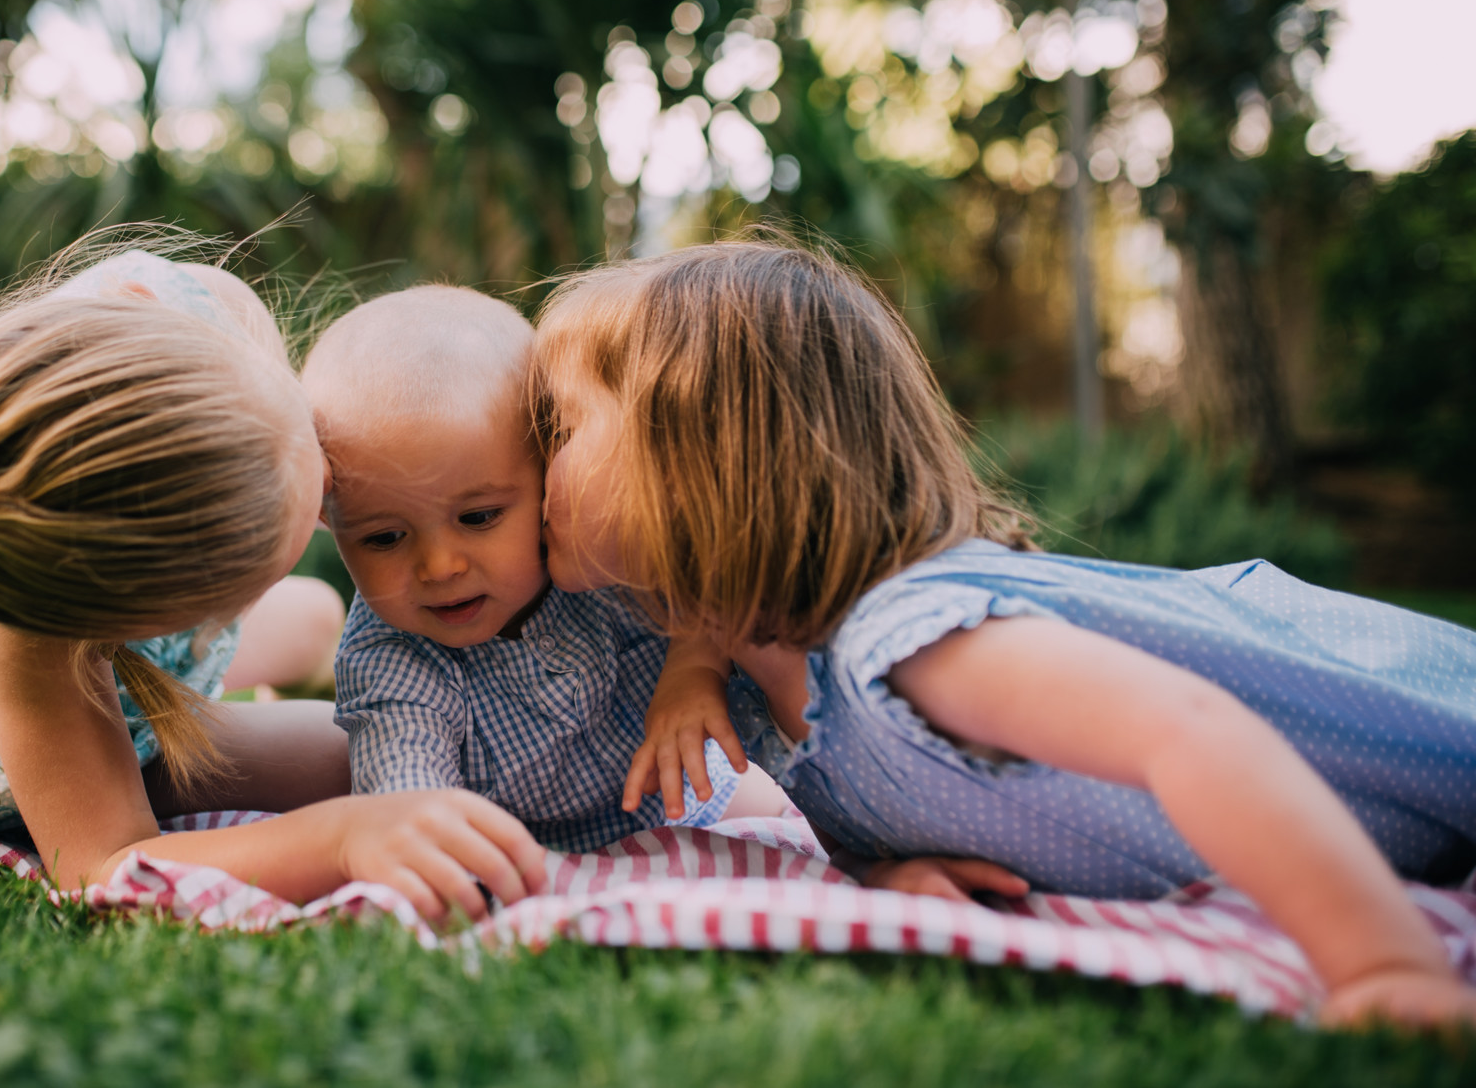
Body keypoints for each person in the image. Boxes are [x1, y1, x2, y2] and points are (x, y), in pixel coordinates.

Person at [532, 236, 1476, 1030]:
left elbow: (1194, 730)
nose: (533, 455)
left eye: (559, 424)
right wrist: (887, 860)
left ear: (694, 452)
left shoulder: (913, 637)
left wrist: (1383, 966)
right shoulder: (759, 683)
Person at [0, 240, 545, 922]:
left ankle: (269, 651)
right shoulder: (32, 630)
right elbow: (101, 860)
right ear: (126, 622)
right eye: (228, 595)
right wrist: (344, 840)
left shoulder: (195, 317)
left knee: (319, 613)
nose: (331, 503)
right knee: (343, 759)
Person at [303, 285, 789, 852]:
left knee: (771, 806)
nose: (439, 566)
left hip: (697, 802)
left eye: (479, 517)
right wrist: (419, 836)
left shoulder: (604, 560)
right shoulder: (390, 654)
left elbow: (719, 576)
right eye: (384, 537)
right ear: (326, 515)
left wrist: (693, 665)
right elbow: (405, 786)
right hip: (530, 848)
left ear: (551, 464)